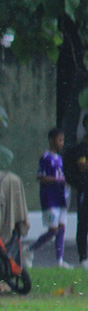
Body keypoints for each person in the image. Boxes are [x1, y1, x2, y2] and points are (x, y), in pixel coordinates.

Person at [28, 127, 72, 268]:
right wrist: (55, 180)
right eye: (59, 140)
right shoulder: (45, 158)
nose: (62, 143)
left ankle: (59, 260)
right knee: (53, 230)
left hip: (60, 197)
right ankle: (29, 249)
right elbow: (40, 176)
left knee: (61, 228)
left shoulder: (59, 159)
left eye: (63, 140)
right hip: (50, 198)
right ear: (51, 140)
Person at [62, 114, 88, 268]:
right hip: (84, 188)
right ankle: (83, 257)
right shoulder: (81, 148)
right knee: (84, 222)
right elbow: (81, 166)